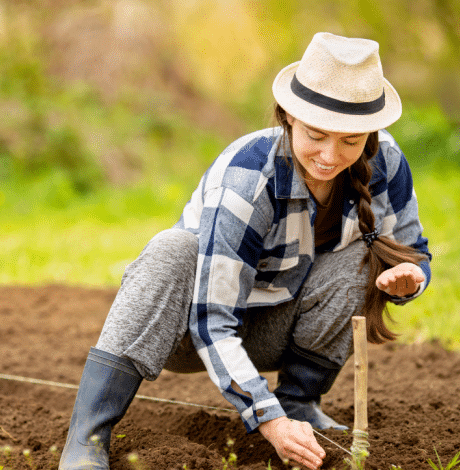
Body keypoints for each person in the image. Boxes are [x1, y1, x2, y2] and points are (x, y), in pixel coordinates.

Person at [57, 32, 432, 470]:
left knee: (360, 259)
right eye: (316, 135)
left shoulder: (387, 160)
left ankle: (300, 406)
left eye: (350, 141)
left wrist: (408, 280)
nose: (331, 156)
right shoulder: (248, 176)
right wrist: (265, 420)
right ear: (288, 117)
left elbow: (411, 251)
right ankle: (87, 436)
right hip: (185, 330)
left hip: (275, 326)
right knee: (172, 249)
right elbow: (213, 320)